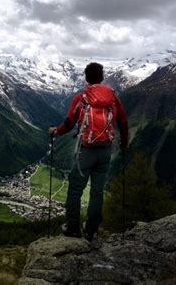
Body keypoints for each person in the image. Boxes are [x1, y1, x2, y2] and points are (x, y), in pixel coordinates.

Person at [49, 62, 128, 241]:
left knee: (75, 190)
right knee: (97, 192)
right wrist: (124, 144)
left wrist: (56, 132)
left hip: (86, 150)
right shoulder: (113, 98)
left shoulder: (81, 97)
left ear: (86, 78)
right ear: (102, 77)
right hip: (106, 150)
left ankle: (73, 228)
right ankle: (92, 230)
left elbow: (69, 123)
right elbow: (123, 122)